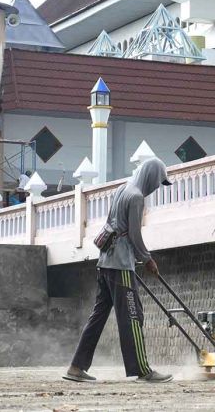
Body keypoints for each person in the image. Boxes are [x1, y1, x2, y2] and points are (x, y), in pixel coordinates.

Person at [64, 158, 174, 383]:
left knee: (98, 316)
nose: (155, 187)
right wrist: (147, 259)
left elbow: (112, 224)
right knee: (133, 316)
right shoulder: (136, 197)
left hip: (105, 261)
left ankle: (76, 367)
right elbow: (134, 234)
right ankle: (143, 370)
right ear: (151, 177)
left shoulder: (123, 188)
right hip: (121, 265)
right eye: (157, 182)